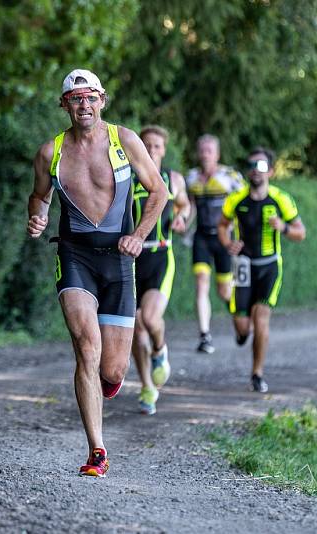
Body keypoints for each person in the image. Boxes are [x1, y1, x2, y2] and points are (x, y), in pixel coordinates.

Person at [27, 69, 167, 477]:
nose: (83, 106)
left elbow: (158, 191)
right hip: (75, 256)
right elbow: (39, 197)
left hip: (120, 258)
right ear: (64, 105)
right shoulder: (49, 152)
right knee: (86, 348)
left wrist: (139, 236)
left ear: (102, 100)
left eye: (90, 98)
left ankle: (108, 381)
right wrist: (37, 218)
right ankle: (97, 451)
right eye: (75, 99)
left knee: (112, 369)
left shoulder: (125, 141)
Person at [217, 147, 306, 393]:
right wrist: (228, 243)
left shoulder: (281, 199)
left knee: (262, 316)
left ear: (272, 171)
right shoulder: (236, 199)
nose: (256, 170)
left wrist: (284, 228)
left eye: (262, 166)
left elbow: (301, 232)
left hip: (269, 266)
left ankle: (257, 373)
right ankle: (238, 317)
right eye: (252, 165)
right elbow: (222, 226)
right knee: (243, 328)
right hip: (243, 266)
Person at [130, 125, 191, 415]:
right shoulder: (127, 180)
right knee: (133, 327)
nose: (152, 150)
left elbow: (184, 205)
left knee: (149, 318)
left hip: (159, 256)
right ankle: (146, 387)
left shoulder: (172, 179)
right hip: (130, 260)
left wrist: (182, 219)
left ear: (163, 150)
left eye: (157, 146)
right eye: (147, 145)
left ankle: (160, 350)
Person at [185, 134, 245, 354]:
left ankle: (240, 320)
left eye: (209, 150)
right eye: (202, 150)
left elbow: (245, 205)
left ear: (217, 154)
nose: (205, 154)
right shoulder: (191, 178)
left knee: (224, 291)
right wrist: (183, 221)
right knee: (201, 282)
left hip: (224, 239)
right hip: (201, 237)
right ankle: (204, 335)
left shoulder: (230, 176)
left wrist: (241, 237)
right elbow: (190, 206)